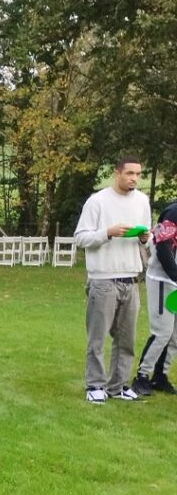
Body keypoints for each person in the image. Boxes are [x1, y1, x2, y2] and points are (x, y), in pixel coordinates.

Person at [74, 156, 152, 403]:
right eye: (129, 173)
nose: (134, 179)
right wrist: (107, 233)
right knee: (97, 337)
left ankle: (118, 385)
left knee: (126, 338)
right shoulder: (97, 201)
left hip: (131, 278)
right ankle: (95, 385)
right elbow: (81, 238)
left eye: (138, 174)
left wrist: (143, 238)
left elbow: (148, 238)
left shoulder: (142, 201)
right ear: (117, 173)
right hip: (103, 279)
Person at [131, 200, 177, 397]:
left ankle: (160, 375)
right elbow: (163, 246)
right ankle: (141, 375)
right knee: (162, 332)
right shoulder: (173, 212)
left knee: (175, 335)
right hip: (162, 280)